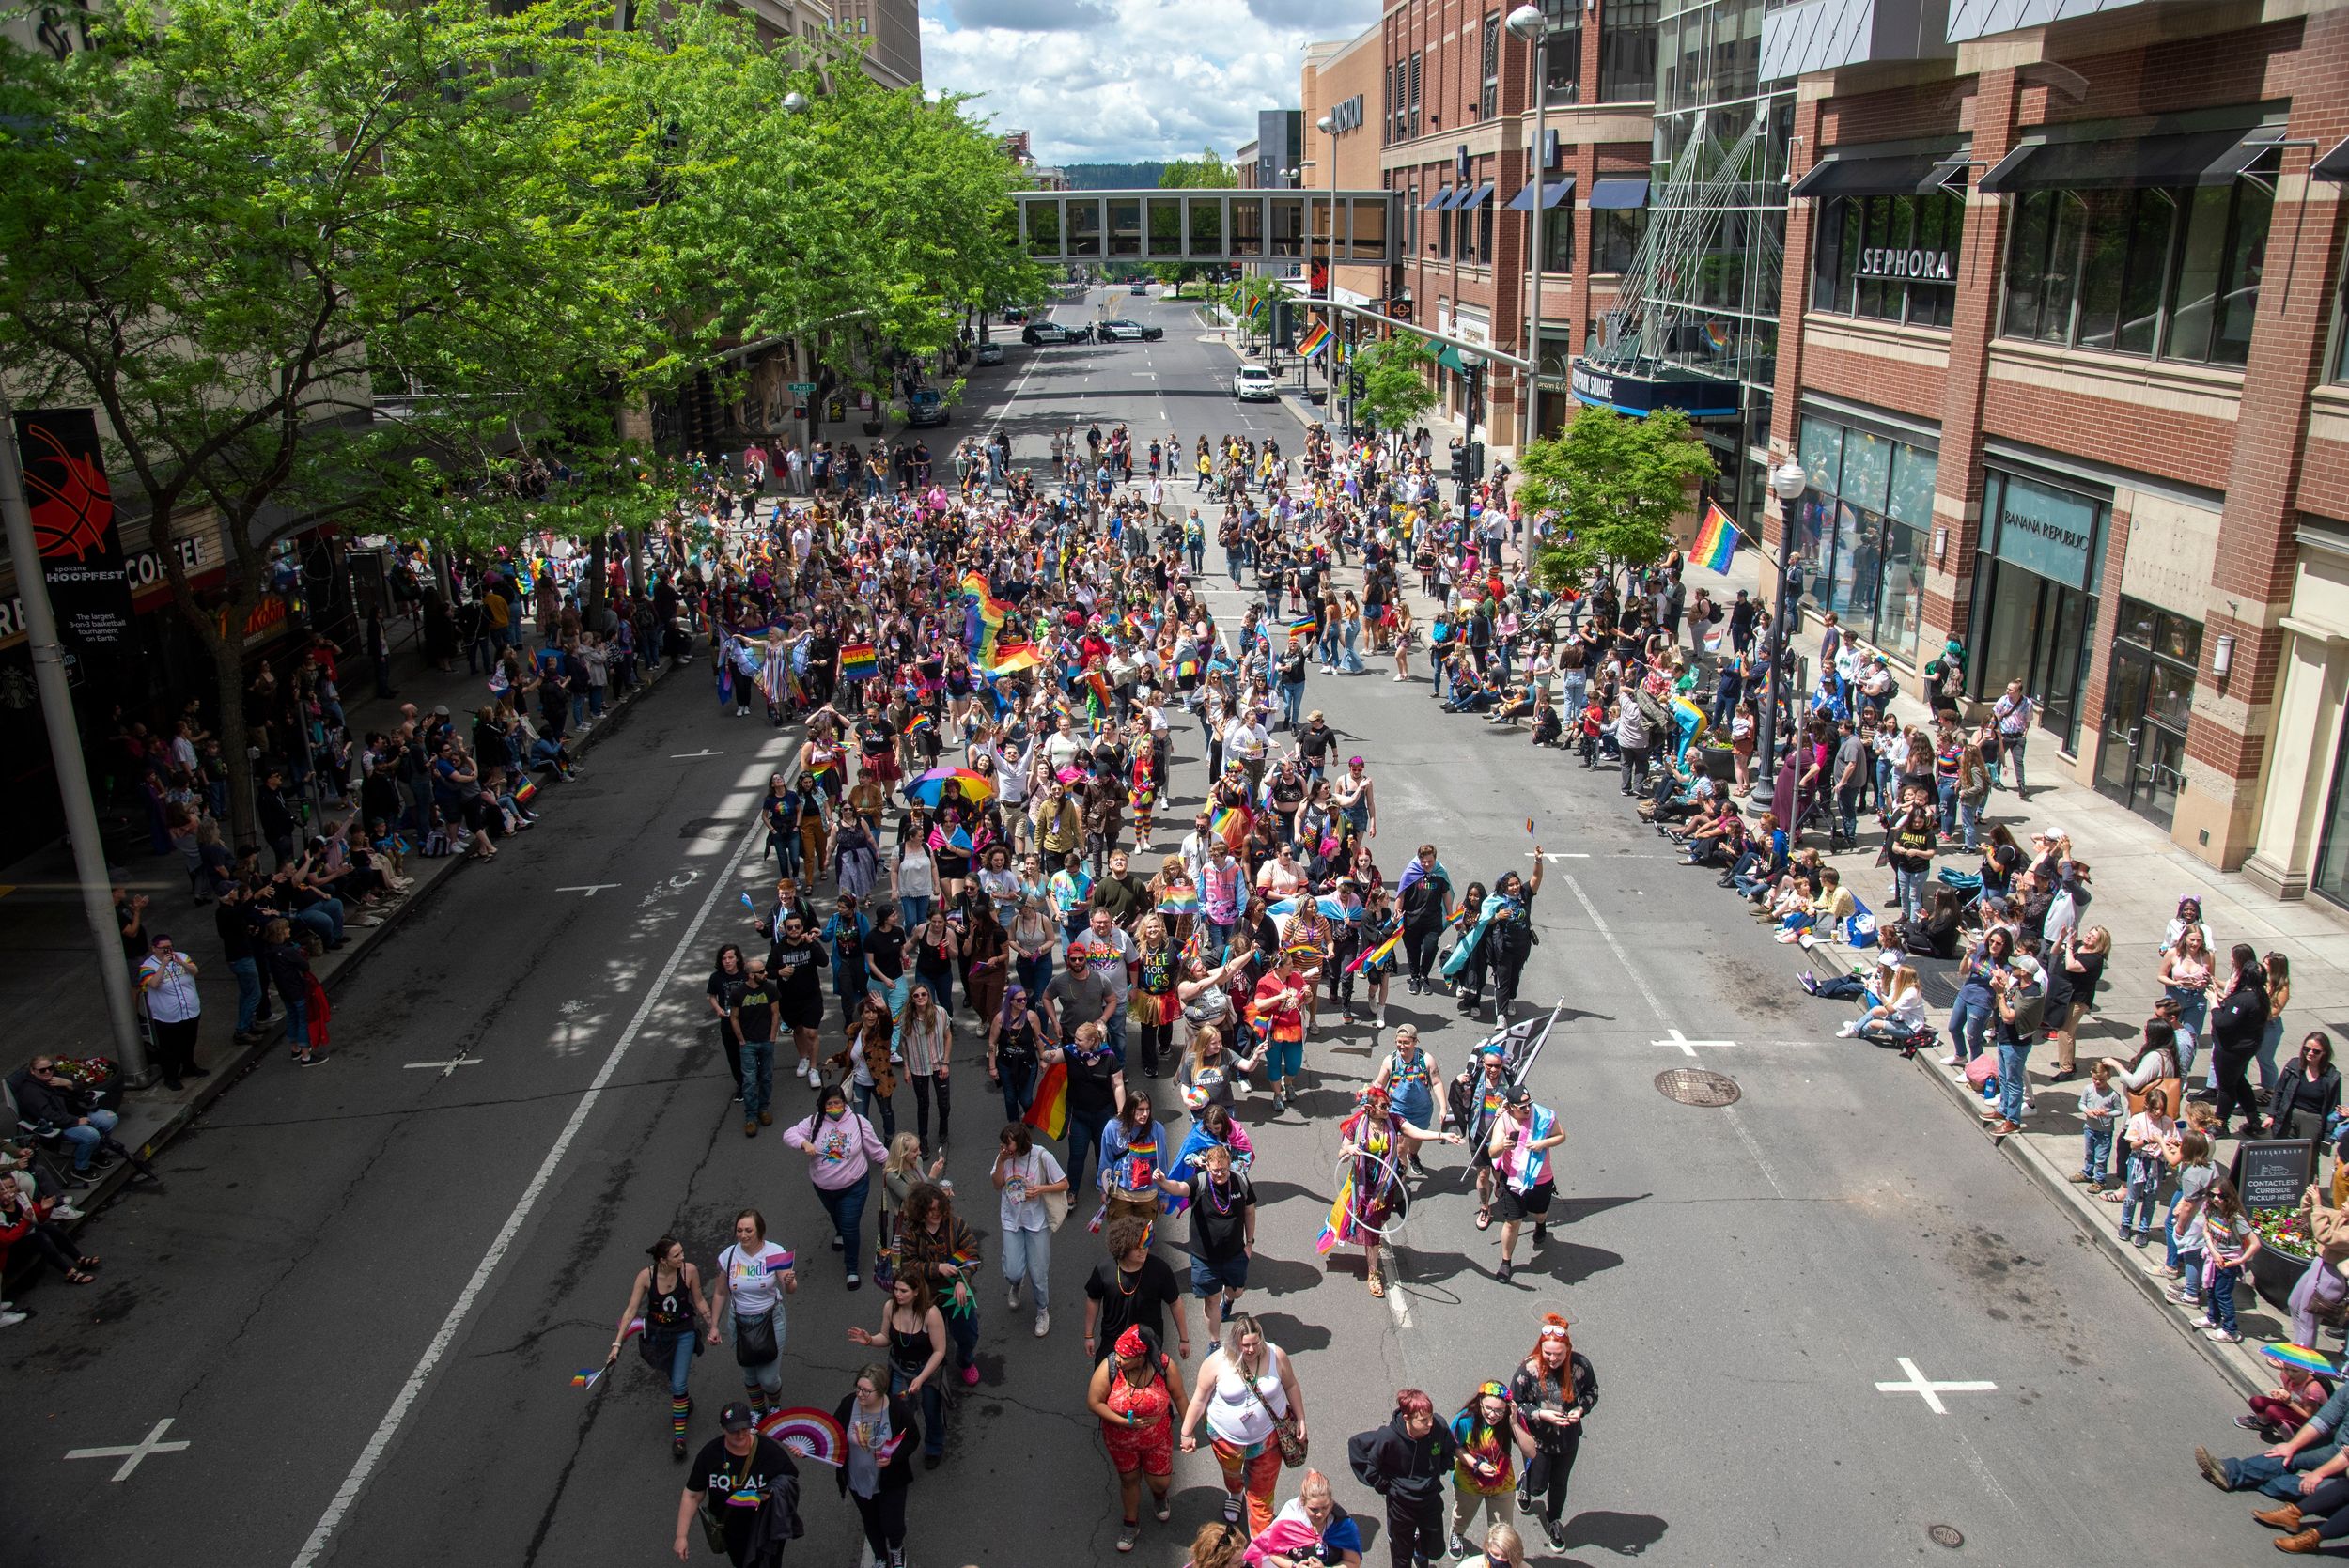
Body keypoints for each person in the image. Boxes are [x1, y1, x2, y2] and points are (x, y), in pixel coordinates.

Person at [1182, 1312, 1306, 1535]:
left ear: (1261, 1339)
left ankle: (1260, 1548)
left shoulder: (1276, 1355)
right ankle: (1235, 1493)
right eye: (1245, 1345)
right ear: (1234, 1343)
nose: (1250, 1350)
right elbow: (1199, 1398)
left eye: (1255, 1344)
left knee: (1262, 1497)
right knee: (1232, 1474)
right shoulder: (1216, 1362)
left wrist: (1301, 1419)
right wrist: (1186, 1432)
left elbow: (1291, 1386)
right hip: (1225, 1439)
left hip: (1268, 1440)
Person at [1331, 1084, 1458, 1296]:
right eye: (1383, 1106)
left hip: (1387, 1183)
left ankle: (1374, 1243)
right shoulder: (1357, 1124)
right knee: (1371, 1229)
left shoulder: (1394, 1121)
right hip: (1365, 1186)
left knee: (1380, 1220)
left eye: (1389, 1104)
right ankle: (1373, 1273)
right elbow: (1341, 1154)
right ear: (1370, 1108)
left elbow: (1415, 1132)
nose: (1388, 1109)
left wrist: (1441, 1136)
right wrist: (1349, 1150)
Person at [614, 1235, 717, 1458]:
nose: (683, 1257)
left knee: (678, 1383)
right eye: (677, 1255)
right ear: (662, 1260)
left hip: (684, 1333)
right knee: (673, 1377)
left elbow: (698, 1301)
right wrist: (617, 1343)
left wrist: (712, 1326)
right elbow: (631, 1311)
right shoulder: (646, 1276)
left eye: (682, 1252)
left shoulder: (689, 1271)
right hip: (658, 1335)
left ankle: (679, 1438)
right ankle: (685, 1402)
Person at [672, 1400, 801, 1568]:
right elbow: (692, 1495)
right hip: (732, 1532)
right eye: (733, 1431)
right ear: (722, 1428)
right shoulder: (710, 1454)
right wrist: (681, 1536)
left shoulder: (769, 1451)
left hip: (766, 1528)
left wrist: (769, 1493)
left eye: (744, 1429)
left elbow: (790, 1481)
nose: (740, 1435)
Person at [782, 1083, 887, 1289]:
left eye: (837, 1102)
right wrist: (804, 1144)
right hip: (823, 1187)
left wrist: (895, 1166)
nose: (834, 1107)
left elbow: (877, 1151)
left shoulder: (859, 1122)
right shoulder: (813, 1122)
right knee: (836, 1216)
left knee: (849, 1227)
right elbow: (789, 1134)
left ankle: (852, 1269)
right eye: (829, 1103)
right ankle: (839, 1231)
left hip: (854, 1187)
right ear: (823, 1105)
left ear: (844, 1103)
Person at [1089, 1324, 1182, 1552]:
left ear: (1141, 1357)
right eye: (1118, 1354)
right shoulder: (1110, 1366)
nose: (1118, 1359)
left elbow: (1180, 1397)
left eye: (1125, 1357)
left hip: (1157, 1439)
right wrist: (1123, 1422)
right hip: (1121, 1441)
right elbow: (1094, 1402)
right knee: (1128, 1480)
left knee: (1161, 1482)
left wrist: (1188, 1432)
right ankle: (1131, 1523)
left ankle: (1160, 1495)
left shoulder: (1164, 1366)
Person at [1509, 1315, 1596, 1549]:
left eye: (1559, 1354)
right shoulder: (1528, 1370)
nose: (1553, 1358)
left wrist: (1580, 1409)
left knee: (1560, 1482)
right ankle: (1526, 1484)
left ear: (1568, 1350)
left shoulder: (1581, 1366)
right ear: (1541, 1348)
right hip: (1539, 1441)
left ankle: (1554, 1520)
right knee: (1538, 1486)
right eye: (1548, 1353)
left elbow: (1592, 1392)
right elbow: (1515, 1403)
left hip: (1568, 1439)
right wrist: (1541, 1414)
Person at [1347, 1389, 1459, 1568]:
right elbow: (1357, 1447)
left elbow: (1449, 1447)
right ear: (1407, 1418)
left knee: (1435, 1548)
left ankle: (1420, 1550)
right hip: (1401, 1505)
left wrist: (1441, 1467)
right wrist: (1385, 1485)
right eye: (1423, 1420)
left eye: (1430, 1416)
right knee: (1401, 1557)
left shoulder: (1438, 1425)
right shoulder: (1388, 1437)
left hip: (1430, 1498)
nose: (1430, 1423)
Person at [889, 1181, 982, 1393]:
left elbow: (972, 1255)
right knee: (927, 1341)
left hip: (956, 1294)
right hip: (926, 1298)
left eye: (940, 1209)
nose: (936, 1214)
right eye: (931, 1211)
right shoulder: (910, 1232)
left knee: (968, 1334)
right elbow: (907, 1265)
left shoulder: (957, 1225)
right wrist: (936, 1268)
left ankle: (965, 1360)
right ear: (921, 1210)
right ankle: (930, 1374)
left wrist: (961, 1280)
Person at [848, 1274, 950, 1467]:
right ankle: (899, 1448)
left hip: (927, 1372)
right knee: (899, 1413)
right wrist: (870, 1340)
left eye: (903, 1291)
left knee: (931, 1411)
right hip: (900, 1369)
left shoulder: (931, 1313)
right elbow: (886, 1338)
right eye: (896, 1289)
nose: (898, 1294)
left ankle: (934, 1447)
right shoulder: (890, 1307)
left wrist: (921, 1379)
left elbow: (939, 1351)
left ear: (917, 1292)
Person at [708, 1208, 795, 1418]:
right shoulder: (729, 1256)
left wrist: (790, 1282)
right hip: (739, 1321)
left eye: (748, 1230)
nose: (743, 1235)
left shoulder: (774, 1252)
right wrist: (714, 1325)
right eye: (739, 1230)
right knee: (749, 1372)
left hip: (770, 1320)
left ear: (760, 1232)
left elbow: (789, 1289)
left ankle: (774, 1405)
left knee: (768, 1378)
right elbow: (720, 1292)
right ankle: (758, 1410)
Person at [834, 1363, 920, 1568]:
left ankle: (897, 1550)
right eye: (858, 1388)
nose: (860, 1394)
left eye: (866, 1391)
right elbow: (832, 1433)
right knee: (871, 1523)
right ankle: (880, 1557)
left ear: (880, 1391)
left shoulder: (897, 1410)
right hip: (858, 1480)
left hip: (891, 1481)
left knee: (893, 1525)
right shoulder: (848, 1405)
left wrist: (894, 1457)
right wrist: (808, 1451)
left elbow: (912, 1439)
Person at [993, 1120, 1066, 1338]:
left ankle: (1042, 1311)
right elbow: (997, 1185)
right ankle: (1016, 1283)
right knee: (1013, 1270)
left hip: (1037, 1222)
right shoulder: (1004, 1157)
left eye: (1009, 1145)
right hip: (1011, 1219)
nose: (1006, 1149)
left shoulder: (1042, 1155)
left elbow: (1064, 1183)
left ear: (1022, 1143)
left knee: (1038, 1272)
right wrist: (1000, 1162)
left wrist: (1041, 1189)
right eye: (1004, 1145)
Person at [1486, 1085, 1564, 1283]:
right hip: (1513, 1180)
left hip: (1540, 1177)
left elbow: (1561, 1136)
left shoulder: (1543, 1117)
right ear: (1511, 1107)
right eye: (1522, 1107)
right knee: (1513, 1222)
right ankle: (1506, 1262)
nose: (1527, 1109)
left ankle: (1540, 1224)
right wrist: (1502, 1146)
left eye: (1529, 1104)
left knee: (1540, 1212)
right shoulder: (1503, 1121)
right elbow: (1492, 1153)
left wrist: (1543, 1144)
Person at [1448, 1382, 1536, 1558]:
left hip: (1502, 1483)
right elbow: (1454, 1447)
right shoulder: (1465, 1419)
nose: (1492, 1414)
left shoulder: (1510, 1420)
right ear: (1480, 1402)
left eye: (1499, 1411)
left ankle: (1495, 1556)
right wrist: (1476, 1464)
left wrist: (1513, 1423)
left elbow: (1531, 1451)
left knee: (1502, 1529)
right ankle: (1456, 1533)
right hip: (1469, 1483)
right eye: (1488, 1408)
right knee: (1462, 1515)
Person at [1086, 1215, 1189, 1364]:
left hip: (1149, 1345)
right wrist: (1088, 1335)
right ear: (1123, 1247)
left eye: (1146, 1245)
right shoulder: (1104, 1269)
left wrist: (1184, 1339)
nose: (1144, 1251)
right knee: (1102, 1385)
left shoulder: (1160, 1269)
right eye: (1137, 1247)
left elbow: (1175, 1302)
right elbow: (1093, 1299)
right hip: (1112, 1344)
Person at [1187, 1140, 1257, 1338]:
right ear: (1207, 1166)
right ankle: (1214, 1342)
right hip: (1204, 1257)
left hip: (1235, 1253)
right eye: (1216, 1170)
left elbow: (1250, 1212)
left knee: (1237, 1291)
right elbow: (1179, 1188)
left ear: (1229, 1166)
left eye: (1224, 1170)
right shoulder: (1199, 1182)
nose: (1220, 1174)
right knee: (1211, 1299)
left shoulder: (1240, 1181)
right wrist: (1164, 1183)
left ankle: (1228, 1300)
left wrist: (1249, 1244)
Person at [1245, 1470, 1363, 1567]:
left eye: (1325, 1507)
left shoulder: (1344, 1526)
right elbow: (1275, 1553)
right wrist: (1295, 1566)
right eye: (1314, 1509)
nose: (1320, 1514)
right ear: (1302, 1502)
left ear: (1331, 1503)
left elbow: (1352, 1562)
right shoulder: (1288, 1523)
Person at [137, 933, 205, 1089]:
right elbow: (153, 984)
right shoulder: (147, 966)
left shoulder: (182, 957)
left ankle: (189, 1067)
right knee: (170, 1048)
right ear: (154, 949)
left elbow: (194, 971)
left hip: (190, 1011)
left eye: (170, 947)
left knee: (189, 1042)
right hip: (167, 1016)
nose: (167, 951)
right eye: (163, 948)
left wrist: (180, 962)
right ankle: (171, 1076)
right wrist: (163, 965)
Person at [730, 957, 777, 1138]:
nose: (765, 974)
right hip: (748, 1043)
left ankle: (763, 1108)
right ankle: (751, 1116)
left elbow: (775, 1013)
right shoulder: (738, 993)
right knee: (749, 1081)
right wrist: (741, 1039)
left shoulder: (770, 989)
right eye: (761, 972)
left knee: (766, 1076)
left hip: (766, 1041)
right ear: (750, 975)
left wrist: (773, 1037)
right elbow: (734, 1017)